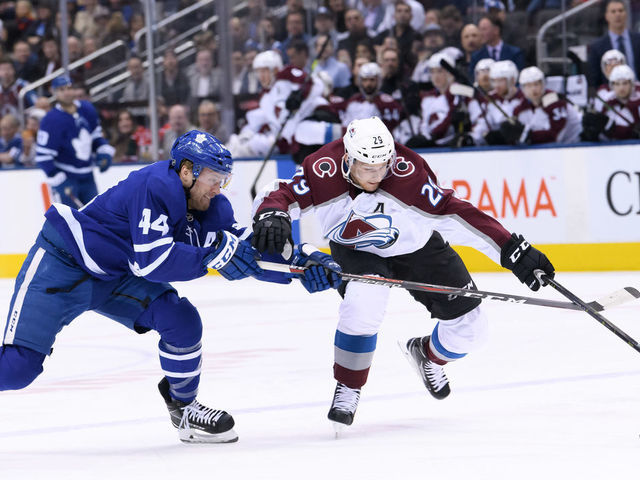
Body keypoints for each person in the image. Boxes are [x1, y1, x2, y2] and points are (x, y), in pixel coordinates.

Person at [0, 130, 341, 443]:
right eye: (213, 178)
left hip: (114, 274)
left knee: (181, 320)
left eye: (224, 179)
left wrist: (302, 263)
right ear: (187, 171)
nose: (219, 187)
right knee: (17, 369)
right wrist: (215, 254)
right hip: (63, 264)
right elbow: (153, 262)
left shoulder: (211, 204)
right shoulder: (155, 185)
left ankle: (186, 411)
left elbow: (247, 251)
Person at [251, 116, 555, 429]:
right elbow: (281, 192)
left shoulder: (408, 172)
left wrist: (511, 250)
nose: (377, 175)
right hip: (356, 250)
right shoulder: (322, 168)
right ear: (347, 159)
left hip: (418, 248)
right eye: (368, 168)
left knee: (472, 330)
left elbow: (456, 213)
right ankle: (349, 386)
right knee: (364, 303)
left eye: (383, 166)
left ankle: (427, 355)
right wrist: (271, 213)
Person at [35, 75, 115, 208]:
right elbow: (43, 156)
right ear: (54, 92)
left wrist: (104, 152)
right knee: (68, 222)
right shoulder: (50, 120)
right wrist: (58, 178)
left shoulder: (87, 109)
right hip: (67, 177)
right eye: (61, 89)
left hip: (88, 176)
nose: (66, 92)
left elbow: (95, 136)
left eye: (69, 88)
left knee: (94, 218)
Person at [514, 66, 582, 144]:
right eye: (529, 86)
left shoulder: (556, 103)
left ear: (543, 85)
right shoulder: (521, 107)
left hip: (573, 148)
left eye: (536, 84)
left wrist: (527, 136)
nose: (533, 89)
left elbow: (555, 136)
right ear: (522, 88)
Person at [587, 0, 640, 89]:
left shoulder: (638, 40)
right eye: (613, 11)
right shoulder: (596, 47)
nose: (617, 14)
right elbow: (594, 81)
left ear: (626, 14)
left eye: (620, 10)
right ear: (606, 16)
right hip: (610, 96)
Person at [469, 15, 525, 81]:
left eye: (484, 29)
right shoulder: (476, 57)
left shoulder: (515, 53)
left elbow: (519, 79)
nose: (480, 33)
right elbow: (473, 81)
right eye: (479, 29)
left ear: (496, 30)